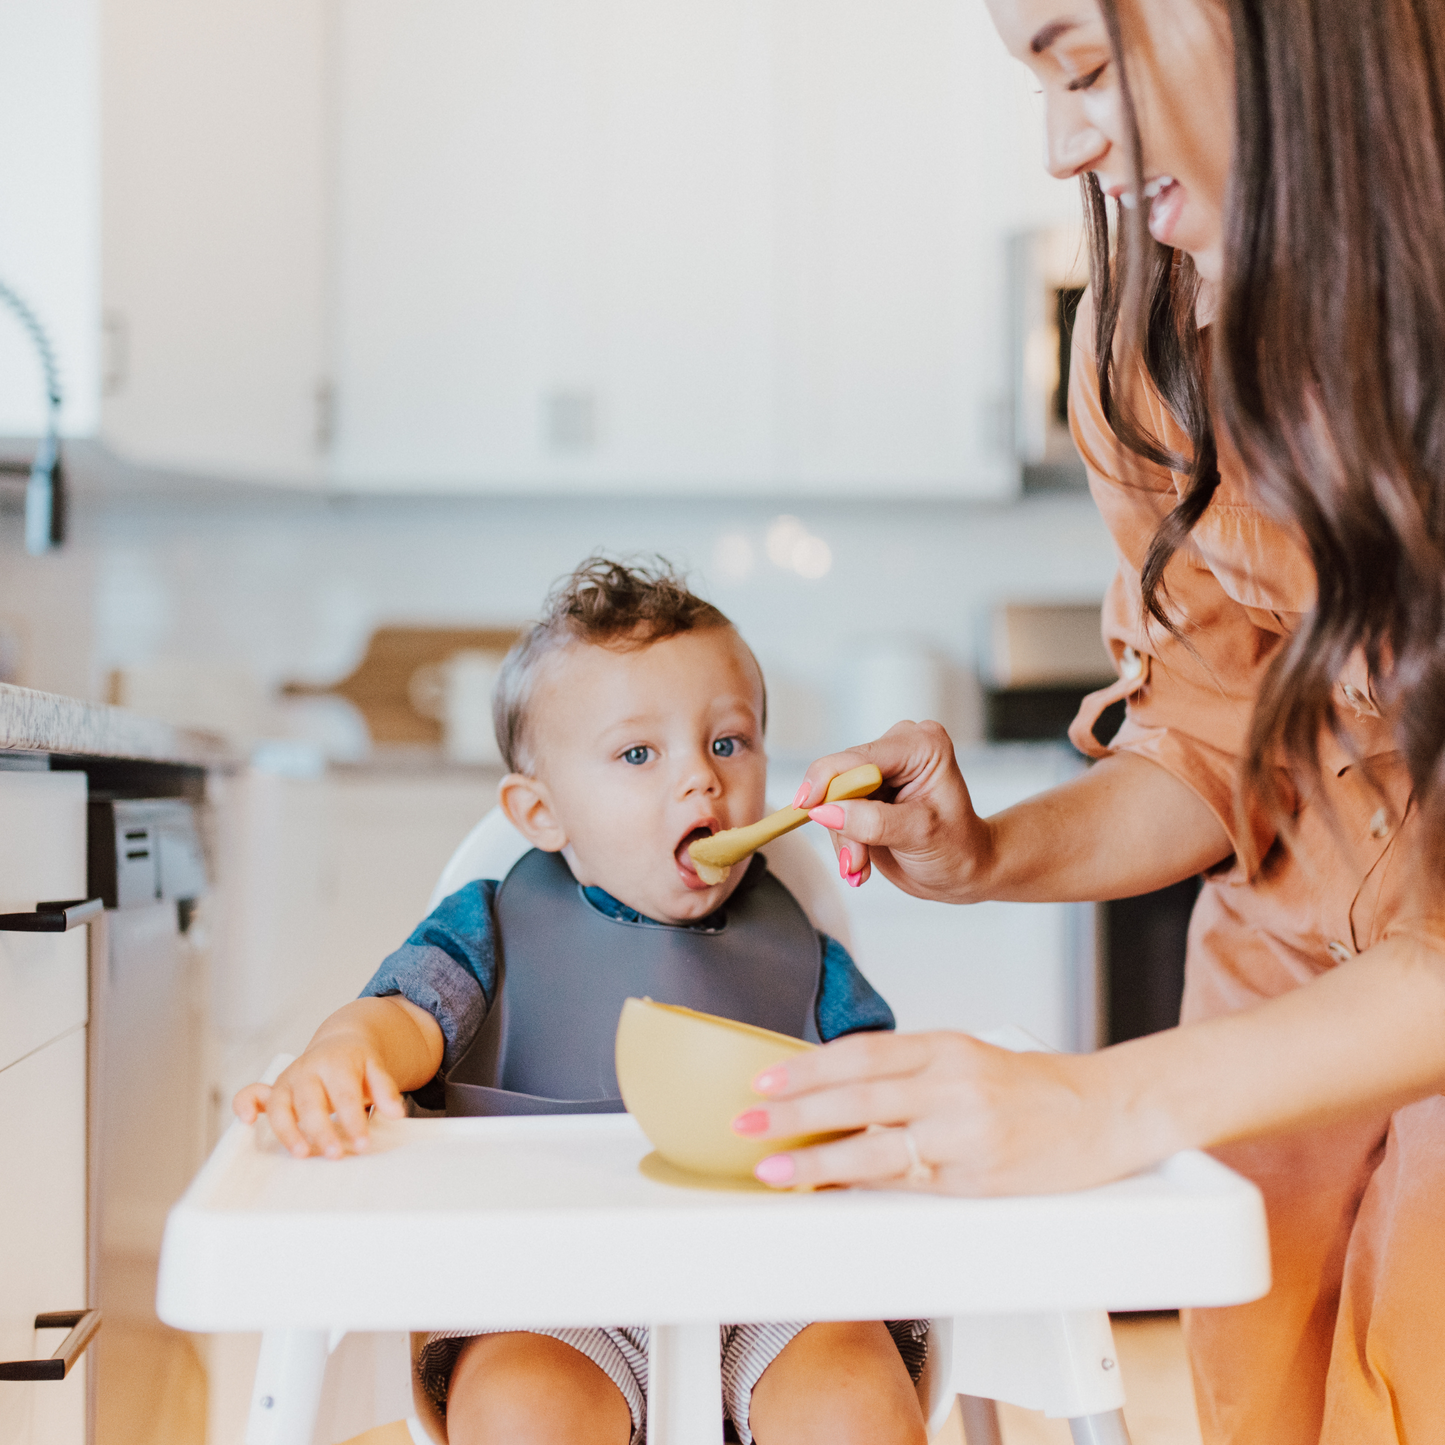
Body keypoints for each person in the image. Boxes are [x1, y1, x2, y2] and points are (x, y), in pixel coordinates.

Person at [729, 2, 1445, 1443]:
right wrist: (986, 851)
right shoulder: (1151, 362)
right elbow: (1212, 750)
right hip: (1283, 992)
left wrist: (1108, 1104)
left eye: (1080, 64)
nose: (1063, 145)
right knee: (1267, 1395)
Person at [233, 557, 928, 1445]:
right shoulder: (492, 927)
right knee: (521, 1407)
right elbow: (402, 1017)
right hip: (542, 1285)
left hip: (777, 1284)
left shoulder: (803, 955)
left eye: (728, 742)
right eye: (639, 753)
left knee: (854, 1398)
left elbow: (880, 1088)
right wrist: (340, 1054)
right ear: (539, 812)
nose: (700, 782)